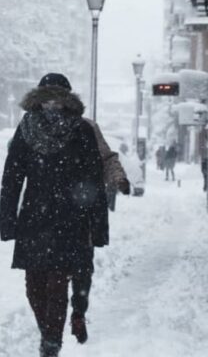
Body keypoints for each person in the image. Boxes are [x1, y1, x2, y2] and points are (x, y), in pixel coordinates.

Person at [0, 73, 109, 357]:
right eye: (47, 97)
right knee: (33, 287)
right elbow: (12, 177)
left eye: (56, 97)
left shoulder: (81, 130)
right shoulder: (26, 128)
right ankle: (50, 334)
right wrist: (7, 221)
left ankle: (51, 343)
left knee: (56, 284)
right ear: (40, 98)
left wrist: (96, 225)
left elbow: (93, 180)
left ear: (66, 99)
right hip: (34, 218)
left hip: (68, 218)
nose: (52, 103)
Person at [69, 118, 130, 344]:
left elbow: (107, 158)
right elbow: (107, 158)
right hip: (70, 212)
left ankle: (75, 314)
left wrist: (118, 179)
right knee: (78, 269)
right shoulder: (40, 125)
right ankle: (72, 314)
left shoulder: (86, 127)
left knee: (79, 268)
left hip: (75, 212)